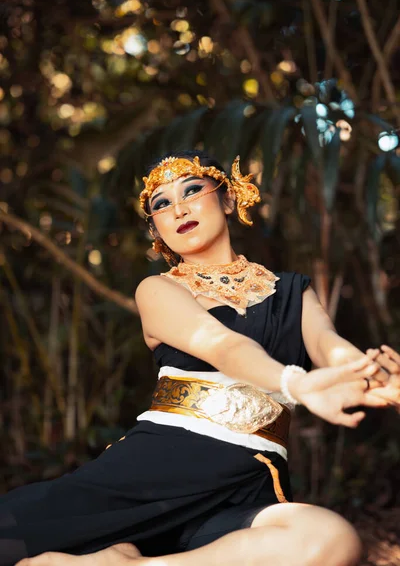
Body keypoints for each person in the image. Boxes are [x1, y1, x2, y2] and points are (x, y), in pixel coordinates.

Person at [2, 151, 400, 566]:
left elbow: (333, 350)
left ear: (229, 200)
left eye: (192, 191)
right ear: (156, 228)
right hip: (155, 467)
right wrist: (295, 384)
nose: (179, 208)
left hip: (246, 479)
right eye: (161, 204)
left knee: (330, 539)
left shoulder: (292, 291)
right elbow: (223, 345)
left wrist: (375, 379)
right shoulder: (158, 289)